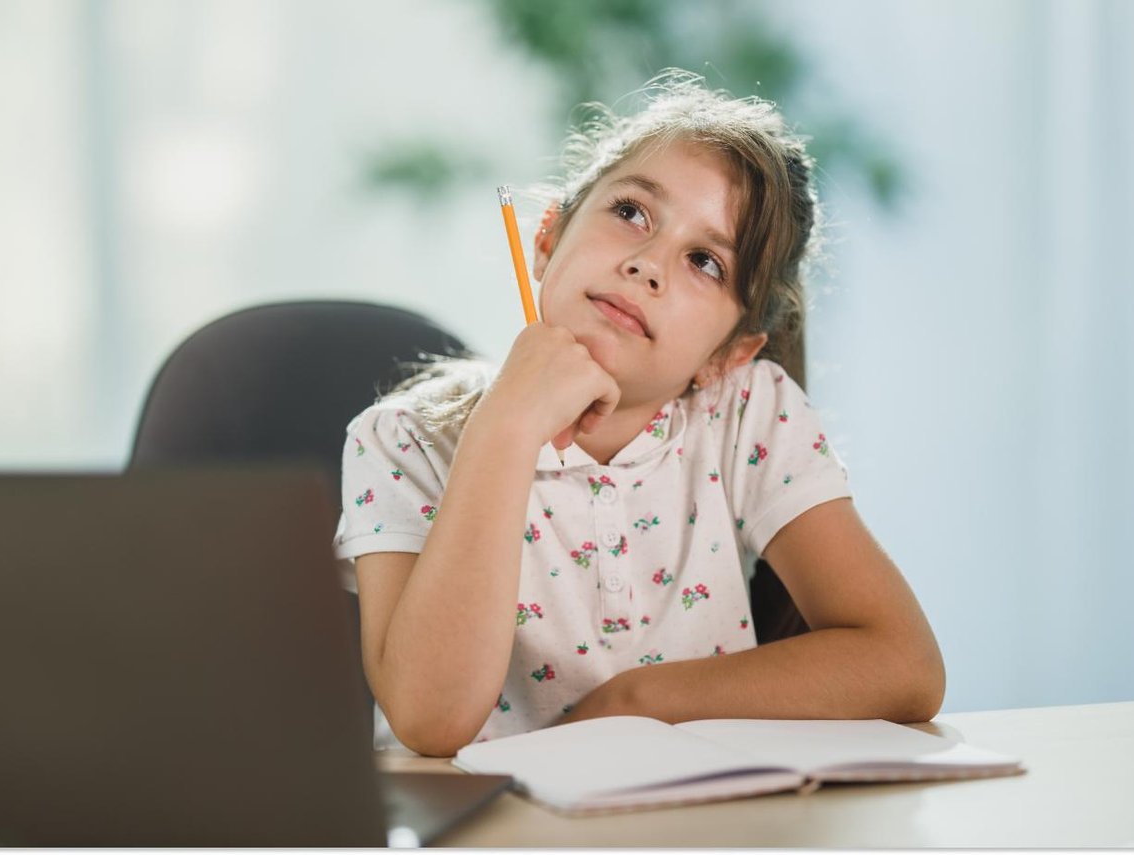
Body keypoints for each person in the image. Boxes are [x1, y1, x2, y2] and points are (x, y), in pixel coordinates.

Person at [335, 70, 945, 757]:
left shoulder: (747, 415)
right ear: (548, 238)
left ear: (728, 354)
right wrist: (506, 429)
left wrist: (635, 701)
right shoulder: (400, 441)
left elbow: (906, 665)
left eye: (705, 262)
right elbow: (431, 717)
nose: (649, 264)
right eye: (632, 213)